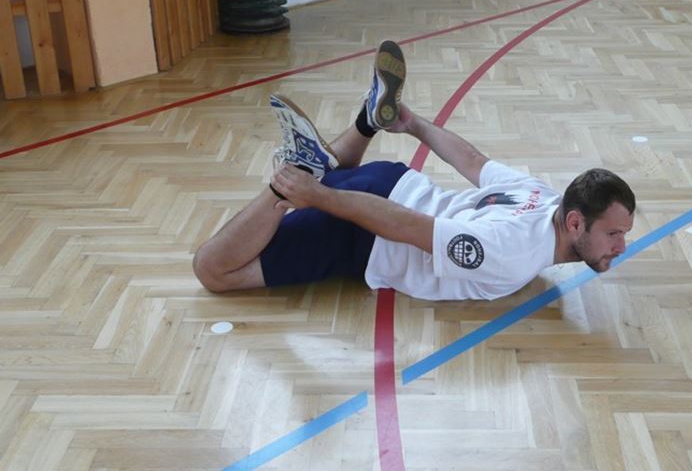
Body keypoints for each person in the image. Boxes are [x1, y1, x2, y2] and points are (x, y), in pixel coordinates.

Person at [193, 40, 635, 300]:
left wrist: (415, 125)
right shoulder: (512, 253)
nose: (621, 246)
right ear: (574, 222)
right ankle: (295, 174)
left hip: (392, 179)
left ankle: (367, 123)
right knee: (213, 270)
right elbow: (406, 227)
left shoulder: (544, 196)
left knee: (327, 177)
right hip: (366, 229)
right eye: (613, 233)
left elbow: (473, 162)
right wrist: (315, 196)